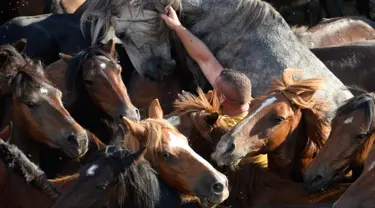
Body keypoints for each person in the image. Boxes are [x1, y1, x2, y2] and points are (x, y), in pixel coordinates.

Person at [161, 6, 252, 123]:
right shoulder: (243, 102)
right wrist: (177, 26)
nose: (212, 89)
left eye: (215, 87)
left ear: (222, 98)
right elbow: (205, 59)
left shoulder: (226, 127)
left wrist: (192, 106)